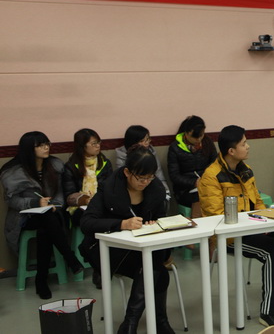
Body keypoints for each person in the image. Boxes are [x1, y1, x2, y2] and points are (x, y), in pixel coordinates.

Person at [198, 125, 274, 333]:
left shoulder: (246, 170)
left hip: (254, 227)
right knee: (273, 250)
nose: (248, 146)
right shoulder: (211, 176)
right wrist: (253, 225)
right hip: (230, 237)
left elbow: (257, 201)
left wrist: (266, 220)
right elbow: (216, 217)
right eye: (243, 144)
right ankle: (269, 313)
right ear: (231, 151)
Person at [80, 145, 175, 334]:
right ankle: (154, 323)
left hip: (142, 251)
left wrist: (153, 223)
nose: (145, 182)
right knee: (155, 271)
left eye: (150, 177)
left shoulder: (155, 189)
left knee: (155, 270)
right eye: (141, 178)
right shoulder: (110, 188)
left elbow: (160, 219)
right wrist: (121, 224)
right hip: (109, 251)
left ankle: (131, 325)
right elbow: (87, 222)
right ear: (127, 172)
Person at [1, 131, 83, 299]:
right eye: (40, 145)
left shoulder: (54, 165)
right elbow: (12, 201)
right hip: (25, 217)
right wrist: (35, 203)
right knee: (47, 221)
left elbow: (60, 194)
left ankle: (42, 280)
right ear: (28, 149)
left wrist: (55, 205)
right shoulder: (14, 171)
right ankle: (70, 258)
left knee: (46, 224)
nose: (46, 148)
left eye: (47, 144)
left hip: (51, 213)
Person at [62, 128, 113, 226]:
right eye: (94, 143)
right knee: (86, 215)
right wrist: (85, 200)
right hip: (80, 206)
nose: (98, 146)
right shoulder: (71, 166)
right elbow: (69, 195)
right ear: (82, 146)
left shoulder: (105, 163)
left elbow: (111, 187)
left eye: (98, 142)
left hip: (103, 203)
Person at [167, 115, 217, 213]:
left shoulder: (207, 142)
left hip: (207, 183)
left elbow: (215, 164)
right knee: (199, 196)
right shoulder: (175, 148)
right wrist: (194, 182)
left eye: (201, 135)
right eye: (194, 137)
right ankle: (198, 221)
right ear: (186, 133)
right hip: (185, 189)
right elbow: (174, 175)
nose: (198, 140)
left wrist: (206, 178)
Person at [115, 125, 170, 203]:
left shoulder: (150, 153)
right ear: (132, 142)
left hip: (151, 189)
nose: (147, 143)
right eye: (142, 141)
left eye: (147, 139)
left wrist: (166, 191)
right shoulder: (122, 156)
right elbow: (122, 180)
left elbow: (159, 174)